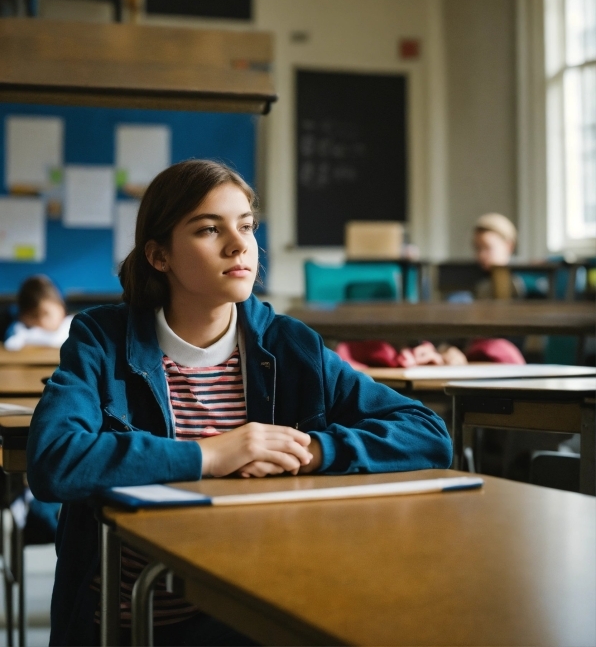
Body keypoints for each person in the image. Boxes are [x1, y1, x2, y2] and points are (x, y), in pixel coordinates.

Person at [27, 159, 451, 647]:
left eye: (246, 225)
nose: (239, 244)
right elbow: (52, 461)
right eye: (209, 229)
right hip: (125, 623)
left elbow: (427, 433)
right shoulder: (101, 338)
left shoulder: (290, 344)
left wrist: (312, 450)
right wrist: (211, 454)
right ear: (159, 256)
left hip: (252, 613)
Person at [3, 276, 73, 351]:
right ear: (23, 317)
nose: (42, 321)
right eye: (34, 316)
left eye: (46, 314)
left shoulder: (75, 327)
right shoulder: (20, 332)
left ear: (61, 308)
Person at [472, 213, 524, 299]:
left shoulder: (521, 282)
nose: (481, 255)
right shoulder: (479, 283)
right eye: (477, 248)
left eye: (487, 248)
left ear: (509, 246)